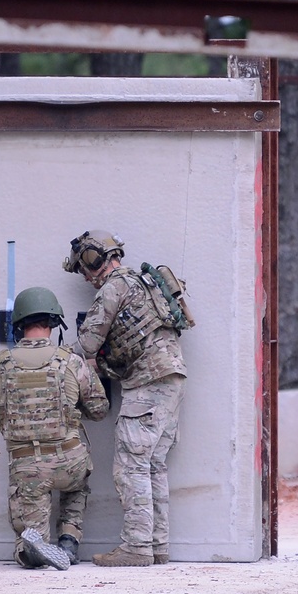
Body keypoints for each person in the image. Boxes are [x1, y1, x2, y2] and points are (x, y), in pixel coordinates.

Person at [63, 230, 189, 567]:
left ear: (94, 259)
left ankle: (136, 547)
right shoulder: (143, 282)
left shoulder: (115, 287)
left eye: (83, 268)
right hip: (171, 378)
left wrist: (57, 358)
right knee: (153, 467)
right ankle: (157, 545)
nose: (85, 276)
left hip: (146, 382)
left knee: (131, 467)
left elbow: (87, 346)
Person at [0, 286, 109, 570]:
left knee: (29, 541)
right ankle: (68, 542)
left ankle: (34, 549)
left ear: (19, 326)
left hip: (28, 469)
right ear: (53, 323)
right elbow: (100, 410)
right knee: (78, 485)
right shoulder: (72, 362)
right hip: (70, 460)